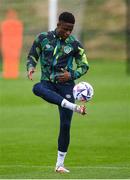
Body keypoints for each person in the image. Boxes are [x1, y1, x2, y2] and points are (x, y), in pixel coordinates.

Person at [27, 12, 89, 173]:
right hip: (47, 83)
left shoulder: (75, 44)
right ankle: (72, 106)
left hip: (66, 86)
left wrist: (72, 74)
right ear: (59, 24)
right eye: (66, 29)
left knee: (66, 124)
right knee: (36, 88)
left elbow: (84, 65)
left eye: (71, 30)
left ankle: (59, 165)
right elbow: (33, 53)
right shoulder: (43, 38)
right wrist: (31, 67)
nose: (68, 32)